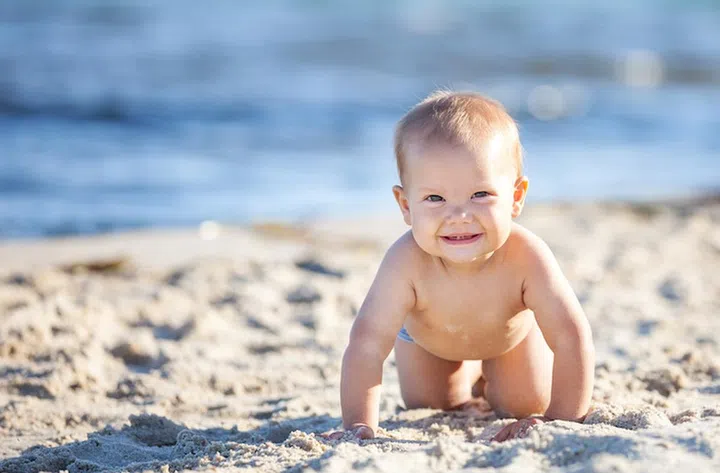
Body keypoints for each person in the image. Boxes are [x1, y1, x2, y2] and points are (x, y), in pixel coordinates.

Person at [330, 90, 594, 443]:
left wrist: (562, 420)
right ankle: (469, 375)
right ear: (406, 205)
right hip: (429, 342)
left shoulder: (526, 256)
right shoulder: (404, 262)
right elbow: (367, 344)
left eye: (480, 195)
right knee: (432, 403)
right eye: (435, 199)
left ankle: (492, 376)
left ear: (516, 198)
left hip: (508, 338)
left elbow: (570, 336)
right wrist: (359, 424)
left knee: (523, 403)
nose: (458, 216)